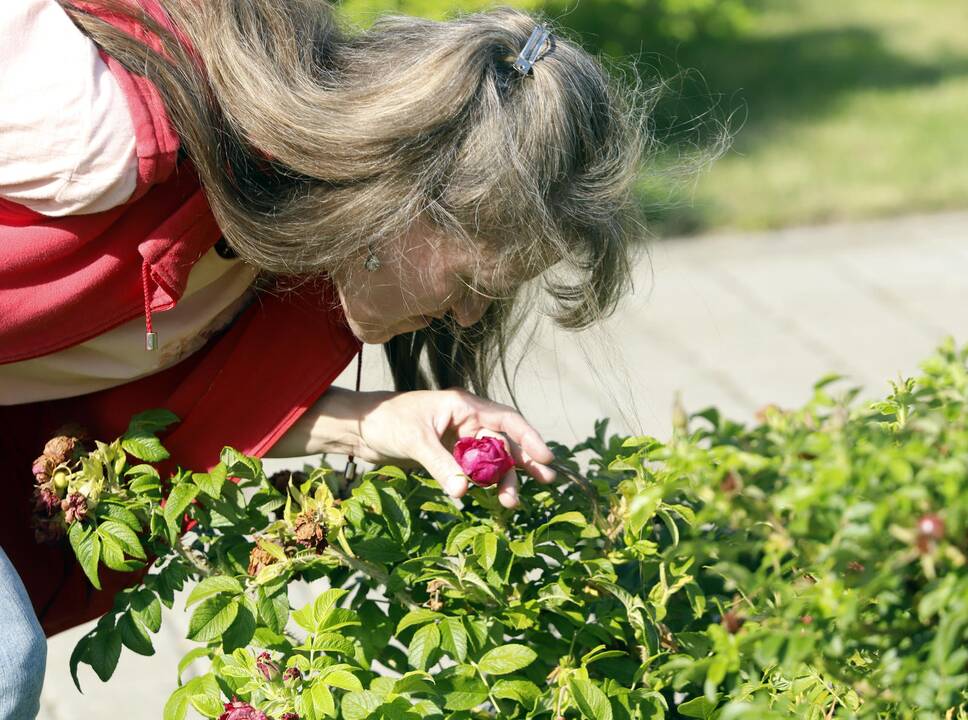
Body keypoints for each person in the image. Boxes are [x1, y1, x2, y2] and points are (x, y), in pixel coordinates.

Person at [0, 0, 645, 715]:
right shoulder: (103, 128)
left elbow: (153, 413)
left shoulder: (273, 254)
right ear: (404, 201)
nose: (466, 318)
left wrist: (373, 423)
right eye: (468, 284)